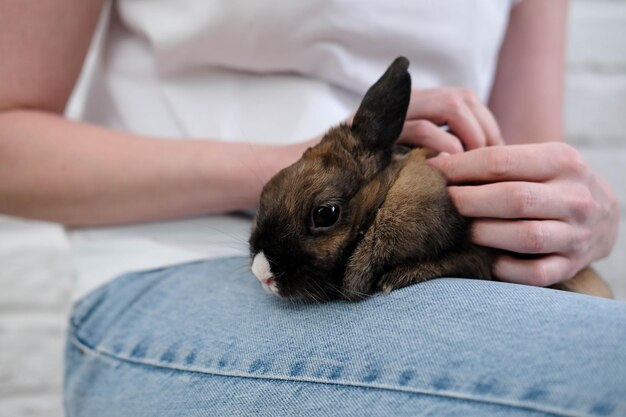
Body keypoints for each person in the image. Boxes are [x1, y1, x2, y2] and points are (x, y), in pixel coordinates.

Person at [1, 0, 624, 416]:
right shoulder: (321, 190)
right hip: (178, 258)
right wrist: (306, 171)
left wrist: (571, 218)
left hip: (434, 269)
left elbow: (524, 144)